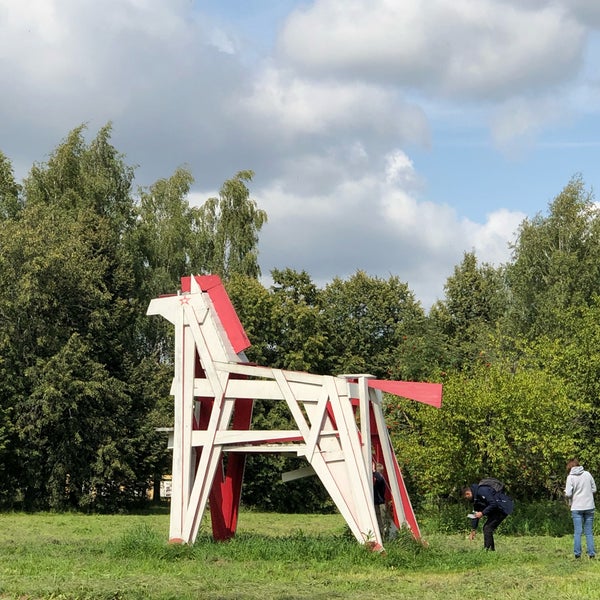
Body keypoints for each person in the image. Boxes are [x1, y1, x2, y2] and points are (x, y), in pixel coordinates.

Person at [463, 479, 511, 551]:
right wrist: (473, 529)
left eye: (466, 498)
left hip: (502, 508)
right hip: (496, 510)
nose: (467, 500)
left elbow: (493, 503)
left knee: (487, 528)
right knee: (487, 528)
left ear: (468, 493)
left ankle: (487, 550)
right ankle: (490, 550)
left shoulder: (482, 491)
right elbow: (475, 513)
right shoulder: (476, 499)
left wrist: (482, 513)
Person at [565, 458, 596, 559]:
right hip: (589, 506)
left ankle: (577, 554)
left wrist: (567, 493)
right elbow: (594, 489)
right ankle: (591, 553)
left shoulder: (570, 477)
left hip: (577, 507)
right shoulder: (587, 474)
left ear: (569, 467)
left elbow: (568, 493)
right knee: (589, 532)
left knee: (578, 532)